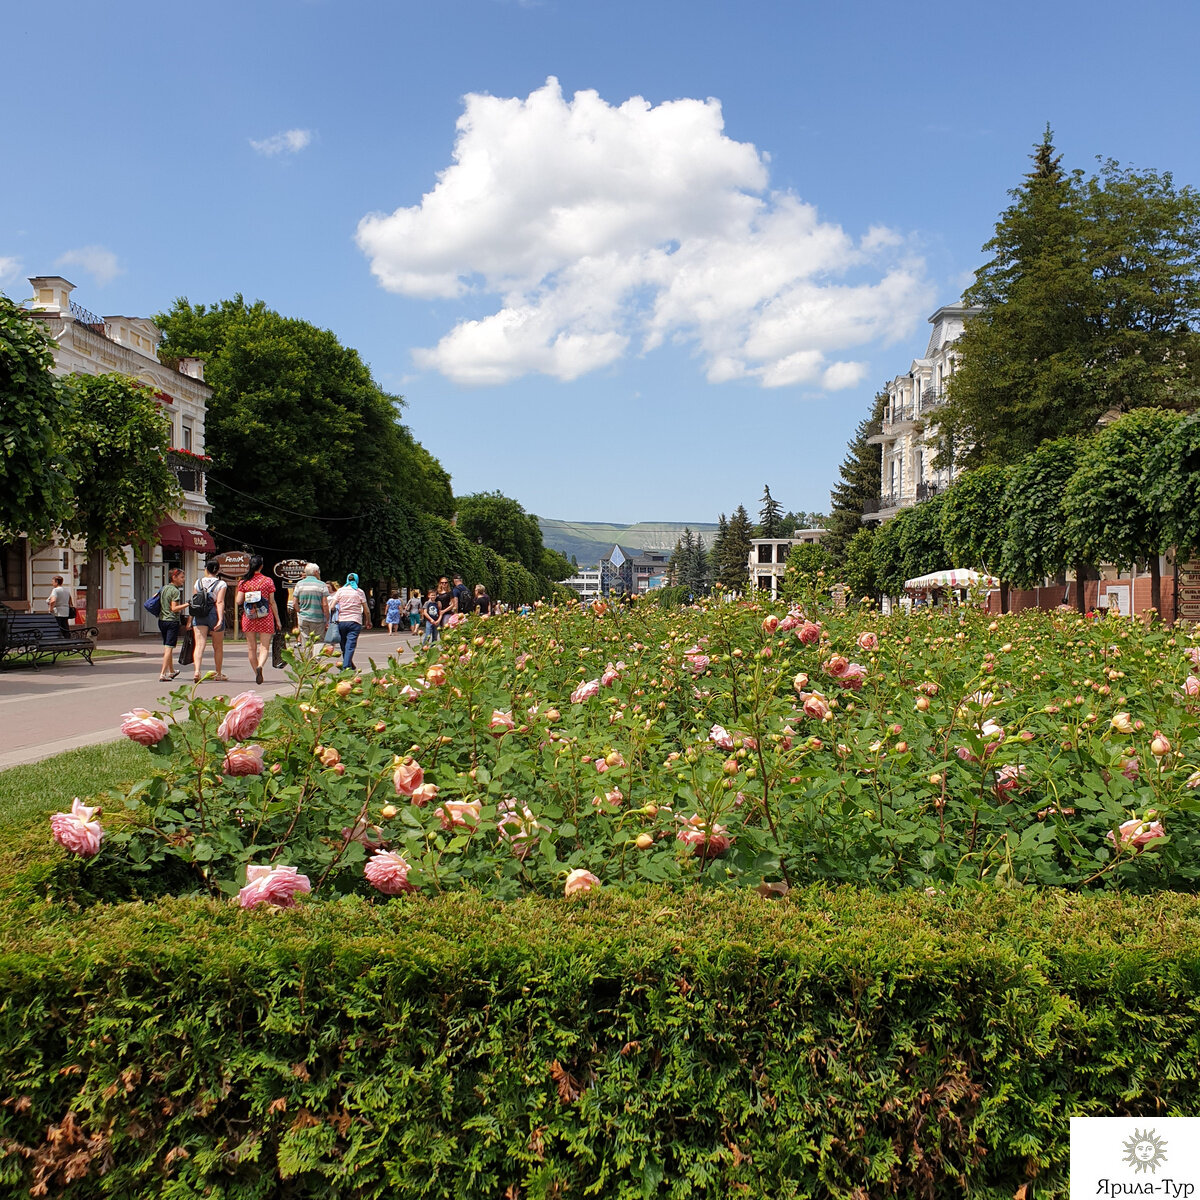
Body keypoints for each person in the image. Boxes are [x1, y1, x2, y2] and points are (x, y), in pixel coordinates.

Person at [236, 554, 281, 685]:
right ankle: (260, 665)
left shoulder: (243, 582)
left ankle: (257, 673)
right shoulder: (268, 581)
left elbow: (238, 601)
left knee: (251, 648)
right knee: (264, 646)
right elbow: (272, 602)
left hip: (249, 617)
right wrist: (277, 620)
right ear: (261, 566)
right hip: (265, 616)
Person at [190, 560, 228, 682]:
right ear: (217, 570)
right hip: (214, 613)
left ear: (206, 569)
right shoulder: (221, 584)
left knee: (199, 645)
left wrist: (190, 619)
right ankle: (218, 673)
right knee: (217, 646)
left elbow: (195, 601)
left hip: (200, 614)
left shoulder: (198, 582)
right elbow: (220, 601)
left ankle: (197, 671)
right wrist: (220, 619)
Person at [331, 572, 371, 670]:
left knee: (344, 645)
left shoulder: (340, 591)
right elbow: (366, 610)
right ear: (356, 580)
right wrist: (368, 621)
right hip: (355, 621)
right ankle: (346, 666)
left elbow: (332, 606)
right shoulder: (359, 591)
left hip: (341, 621)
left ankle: (349, 664)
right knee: (350, 645)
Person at [157, 567, 188, 681]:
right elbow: (174, 608)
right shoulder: (175, 591)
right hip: (172, 621)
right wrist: (187, 604)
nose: (183, 580)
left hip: (162, 620)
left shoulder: (164, 588)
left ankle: (171, 671)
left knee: (167, 646)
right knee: (169, 648)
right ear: (174, 577)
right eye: (181, 577)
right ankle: (162, 673)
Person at [290, 563, 330, 647]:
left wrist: (300, 611)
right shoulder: (322, 585)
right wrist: (327, 618)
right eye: (319, 572)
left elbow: (294, 603)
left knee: (306, 642)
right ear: (315, 572)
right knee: (318, 641)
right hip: (318, 618)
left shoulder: (299, 584)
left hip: (303, 618)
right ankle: (315, 659)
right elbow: (325, 604)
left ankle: (307, 659)